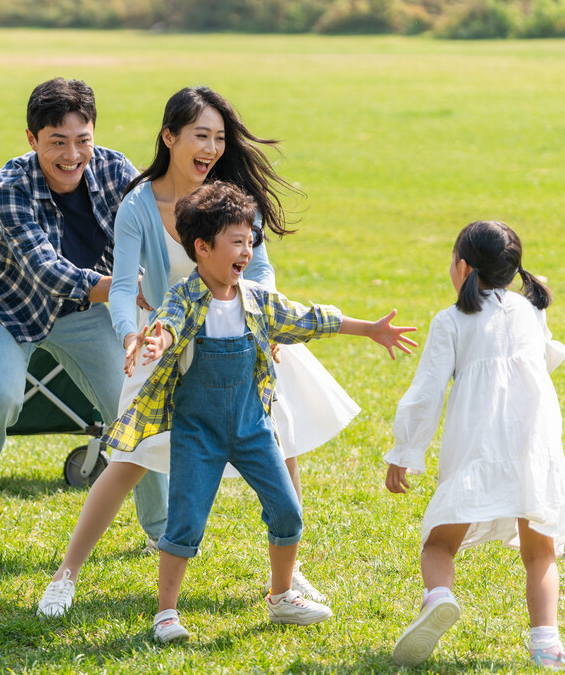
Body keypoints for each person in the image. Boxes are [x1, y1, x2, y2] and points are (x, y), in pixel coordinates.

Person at [37, 86, 359, 617]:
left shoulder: (230, 200)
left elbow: (259, 270)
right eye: (200, 136)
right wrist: (129, 335)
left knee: (284, 440)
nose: (211, 147)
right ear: (169, 137)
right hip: (166, 345)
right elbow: (122, 286)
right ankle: (65, 576)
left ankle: (288, 572)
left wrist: (271, 329)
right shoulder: (139, 205)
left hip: (242, 337)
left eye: (219, 137)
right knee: (126, 461)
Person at [109, 181, 417, 642]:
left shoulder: (256, 299)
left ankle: (280, 597)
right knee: (185, 522)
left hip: (253, 428)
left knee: (288, 510)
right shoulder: (185, 296)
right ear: (202, 247)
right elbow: (169, 324)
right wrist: (157, 340)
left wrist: (368, 329)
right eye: (237, 241)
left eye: (250, 241)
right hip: (199, 432)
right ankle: (166, 613)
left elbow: (310, 318)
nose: (247, 250)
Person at [0, 78, 168, 567]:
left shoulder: (117, 169)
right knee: (1, 395)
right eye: (57, 142)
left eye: (82, 140)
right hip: (9, 308)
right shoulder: (8, 186)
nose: (72, 154)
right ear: (32, 140)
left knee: (135, 401)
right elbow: (47, 270)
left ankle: (163, 531)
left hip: (85, 312)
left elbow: (159, 226)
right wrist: (126, 288)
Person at [383, 221, 565, 669]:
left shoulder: (450, 320)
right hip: (534, 447)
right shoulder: (530, 312)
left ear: (463, 267)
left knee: (437, 545)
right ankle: (547, 645)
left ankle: (439, 597)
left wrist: (405, 454)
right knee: (541, 551)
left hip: (478, 447)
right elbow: (545, 358)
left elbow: (426, 394)